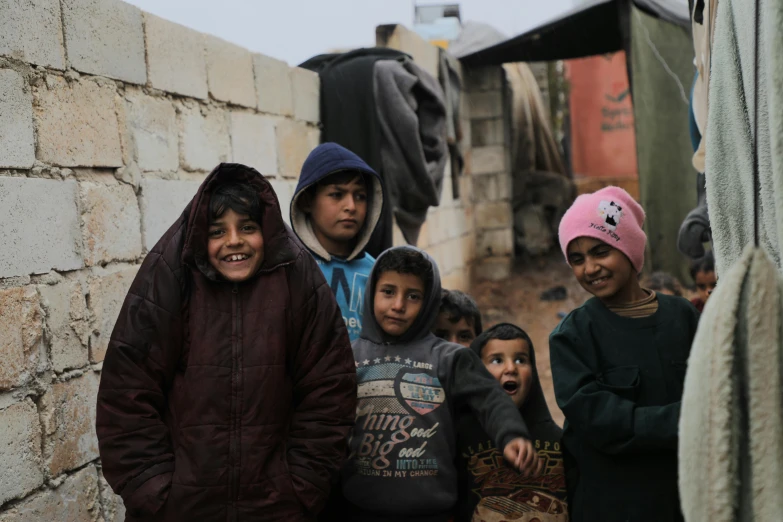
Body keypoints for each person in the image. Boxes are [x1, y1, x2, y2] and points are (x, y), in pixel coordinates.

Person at [96, 163, 357, 522]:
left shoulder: (297, 278)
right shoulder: (169, 276)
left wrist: (301, 487)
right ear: (200, 235)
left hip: (276, 508)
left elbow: (329, 392)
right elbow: (126, 393)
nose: (234, 241)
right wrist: (155, 492)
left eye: (247, 227)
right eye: (218, 231)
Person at [342, 246, 540, 521]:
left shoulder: (449, 358)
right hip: (359, 510)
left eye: (413, 296)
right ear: (371, 292)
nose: (398, 305)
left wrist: (511, 434)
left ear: (429, 303)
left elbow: (490, 398)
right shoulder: (348, 356)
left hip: (433, 512)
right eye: (388, 292)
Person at [549, 186, 699, 522]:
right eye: (577, 259)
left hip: (686, 500)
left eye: (600, 251)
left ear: (629, 248)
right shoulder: (572, 336)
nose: (590, 268)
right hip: (612, 505)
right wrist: (691, 418)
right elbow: (601, 421)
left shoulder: (684, 317)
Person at [455, 323, 568, 522]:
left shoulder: (559, 441)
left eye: (520, 360)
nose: (510, 368)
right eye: (497, 360)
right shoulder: (457, 437)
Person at [291, 142, 384, 341]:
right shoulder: (291, 268)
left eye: (360, 196)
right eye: (337, 195)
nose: (351, 206)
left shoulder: (377, 273)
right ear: (307, 201)